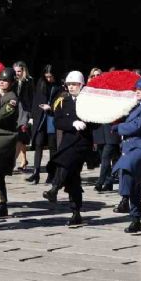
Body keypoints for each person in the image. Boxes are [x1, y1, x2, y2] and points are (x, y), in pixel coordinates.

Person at [44, 71, 92, 226]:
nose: (71, 87)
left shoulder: (89, 101)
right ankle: (75, 211)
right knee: (73, 179)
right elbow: (58, 121)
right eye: (69, 84)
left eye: (75, 84)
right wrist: (72, 123)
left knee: (64, 161)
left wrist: (88, 123)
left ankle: (54, 188)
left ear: (81, 85)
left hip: (82, 143)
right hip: (67, 141)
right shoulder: (64, 101)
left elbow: (98, 120)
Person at [112, 77, 141, 233]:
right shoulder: (133, 107)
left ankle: (124, 199)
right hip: (129, 147)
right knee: (136, 183)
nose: (138, 92)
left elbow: (137, 126)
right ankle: (135, 219)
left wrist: (119, 128)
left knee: (126, 167)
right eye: (136, 89)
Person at [0, 67, 21, 218]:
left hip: (5, 137)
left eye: (5, 80)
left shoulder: (11, 99)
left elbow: (0, 116)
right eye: (1, 80)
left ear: (12, 82)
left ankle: (1, 204)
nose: (2, 82)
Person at [26, 65, 60, 184]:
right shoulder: (41, 83)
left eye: (50, 77)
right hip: (40, 117)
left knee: (52, 146)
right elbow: (36, 101)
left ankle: (51, 173)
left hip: (52, 118)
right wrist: (31, 117)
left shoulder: (59, 86)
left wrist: (51, 108)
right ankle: (36, 172)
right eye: (47, 77)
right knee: (38, 144)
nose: (49, 79)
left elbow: (60, 103)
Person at [12, 61, 34, 172]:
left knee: (20, 136)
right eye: (15, 71)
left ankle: (12, 163)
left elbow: (32, 97)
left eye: (19, 71)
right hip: (15, 110)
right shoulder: (12, 81)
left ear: (24, 71)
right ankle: (23, 160)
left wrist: (31, 115)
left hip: (25, 111)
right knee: (21, 136)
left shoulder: (29, 81)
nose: (17, 73)